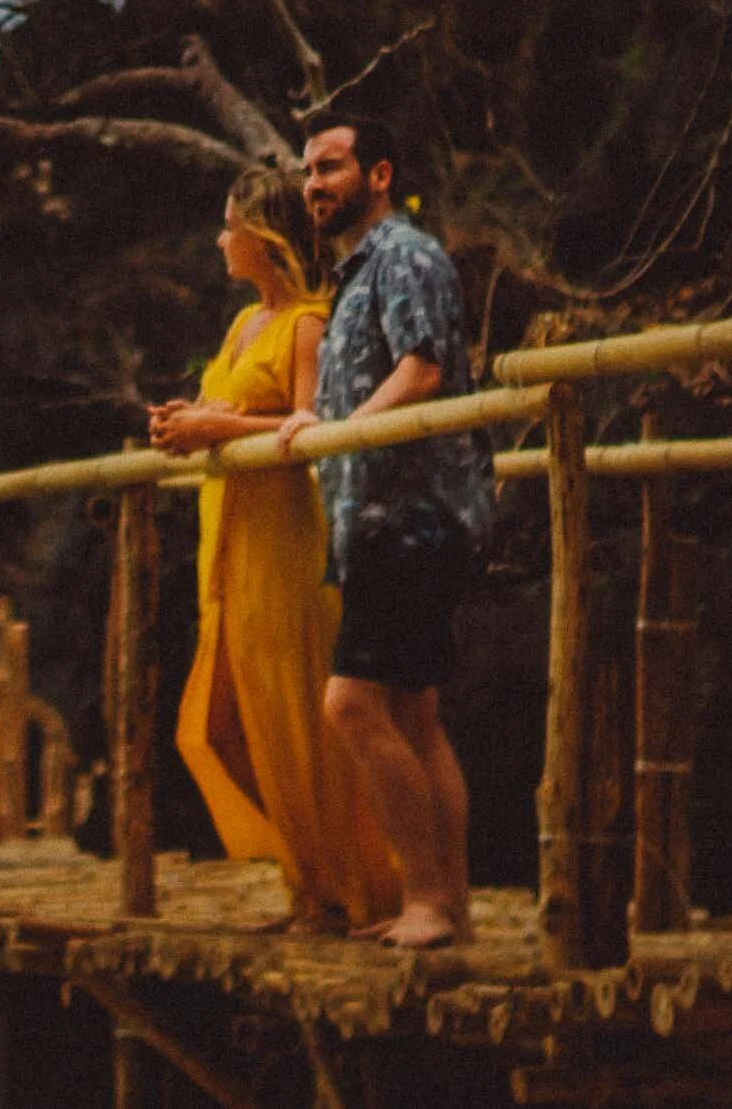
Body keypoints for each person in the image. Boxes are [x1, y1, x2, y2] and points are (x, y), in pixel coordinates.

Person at [148, 166, 400, 931]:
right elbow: (227, 409)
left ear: (261, 239)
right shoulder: (242, 325)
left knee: (297, 717)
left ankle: (345, 892)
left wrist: (212, 429)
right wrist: (184, 420)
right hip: (228, 544)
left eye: (229, 227)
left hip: (286, 543)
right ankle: (305, 884)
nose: (219, 240)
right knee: (233, 719)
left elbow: (309, 424)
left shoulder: (308, 324)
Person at [276, 114, 494, 951]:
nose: (314, 184)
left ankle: (431, 901)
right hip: (381, 517)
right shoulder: (357, 271)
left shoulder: (405, 255)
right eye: (308, 171)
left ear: (378, 174)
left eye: (330, 167)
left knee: (352, 705)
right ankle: (449, 905)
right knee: (411, 713)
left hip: (412, 515)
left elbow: (424, 365)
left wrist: (344, 432)